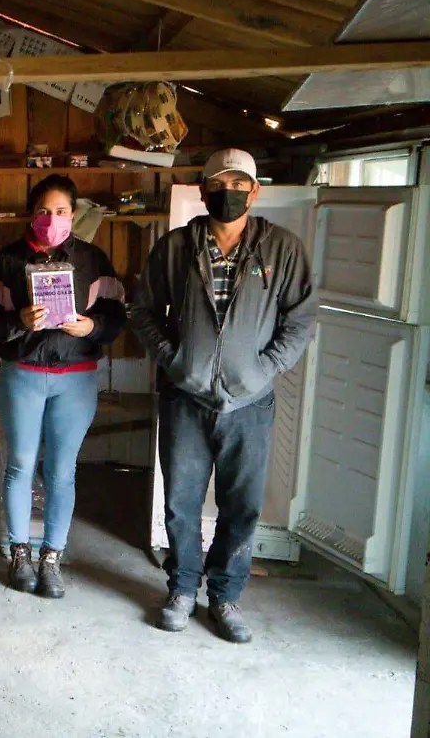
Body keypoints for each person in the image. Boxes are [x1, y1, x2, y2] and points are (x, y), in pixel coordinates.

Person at [130, 148, 316, 643]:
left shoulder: (282, 250)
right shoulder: (174, 247)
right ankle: (183, 589)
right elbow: (142, 311)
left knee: (242, 505)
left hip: (249, 403)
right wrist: (174, 360)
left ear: (254, 191)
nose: (227, 192)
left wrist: (265, 369)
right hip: (184, 398)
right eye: (218, 183)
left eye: (238, 184)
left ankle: (226, 596)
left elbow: (300, 321)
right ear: (202, 190)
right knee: (181, 503)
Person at [0, 174, 127, 598]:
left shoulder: (93, 260)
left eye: (60, 212)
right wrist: (16, 321)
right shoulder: (6, 261)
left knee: (62, 470)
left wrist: (92, 326)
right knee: (20, 465)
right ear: (31, 214)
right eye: (43, 211)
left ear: (73, 216)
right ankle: (20, 553)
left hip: (75, 381)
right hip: (22, 375)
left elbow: (117, 316)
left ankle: (52, 557)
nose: (51, 219)